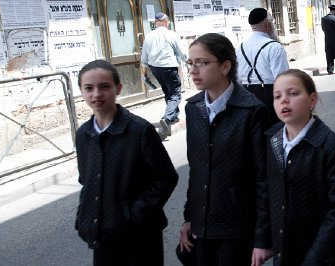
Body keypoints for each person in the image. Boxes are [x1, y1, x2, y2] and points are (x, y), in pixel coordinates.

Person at [74, 59, 178, 265]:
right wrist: (83, 216)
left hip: (139, 239)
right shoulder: (84, 134)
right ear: (81, 91)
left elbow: (165, 178)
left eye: (104, 87)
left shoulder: (139, 131)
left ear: (118, 88)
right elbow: (86, 181)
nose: (96, 94)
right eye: (89, 88)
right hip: (102, 235)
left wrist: (134, 214)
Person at [253, 69, 335, 265]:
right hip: (287, 250)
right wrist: (262, 239)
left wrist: (315, 259)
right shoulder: (273, 140)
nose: (284, 100)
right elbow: (267, 192)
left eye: (293, 94)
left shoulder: (331, 147)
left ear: (312, 100)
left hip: (330, 256)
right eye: (277, 96)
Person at [179, 33, 269, 265]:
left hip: (236, 228)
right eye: (191, 63)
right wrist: (189, 218)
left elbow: (262, 178)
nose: (193, 70)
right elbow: (197, 171)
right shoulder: (194, 108)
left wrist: (261, 238)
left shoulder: (252, 110)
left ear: (225, 66)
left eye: (202, 63)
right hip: (201, 226)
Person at [238, 8, 290, 129]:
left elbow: (237, 79)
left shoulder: (239, 47)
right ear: (268, 25)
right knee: (274, 133)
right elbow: (282, 79)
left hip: (247, 95)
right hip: (269, 96)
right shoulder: (274, 47)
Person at [141, 12, 187, 136]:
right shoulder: (171, 35)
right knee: (175, 92)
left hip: (155, 68)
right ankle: (167, 118)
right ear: (166, 21)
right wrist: (190, 63)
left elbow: (144, 58)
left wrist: (144, 74)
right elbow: (182, 53)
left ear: (156, 23)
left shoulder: (149, 36)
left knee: (168, 91)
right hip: (168, 67)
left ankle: (173, 117)